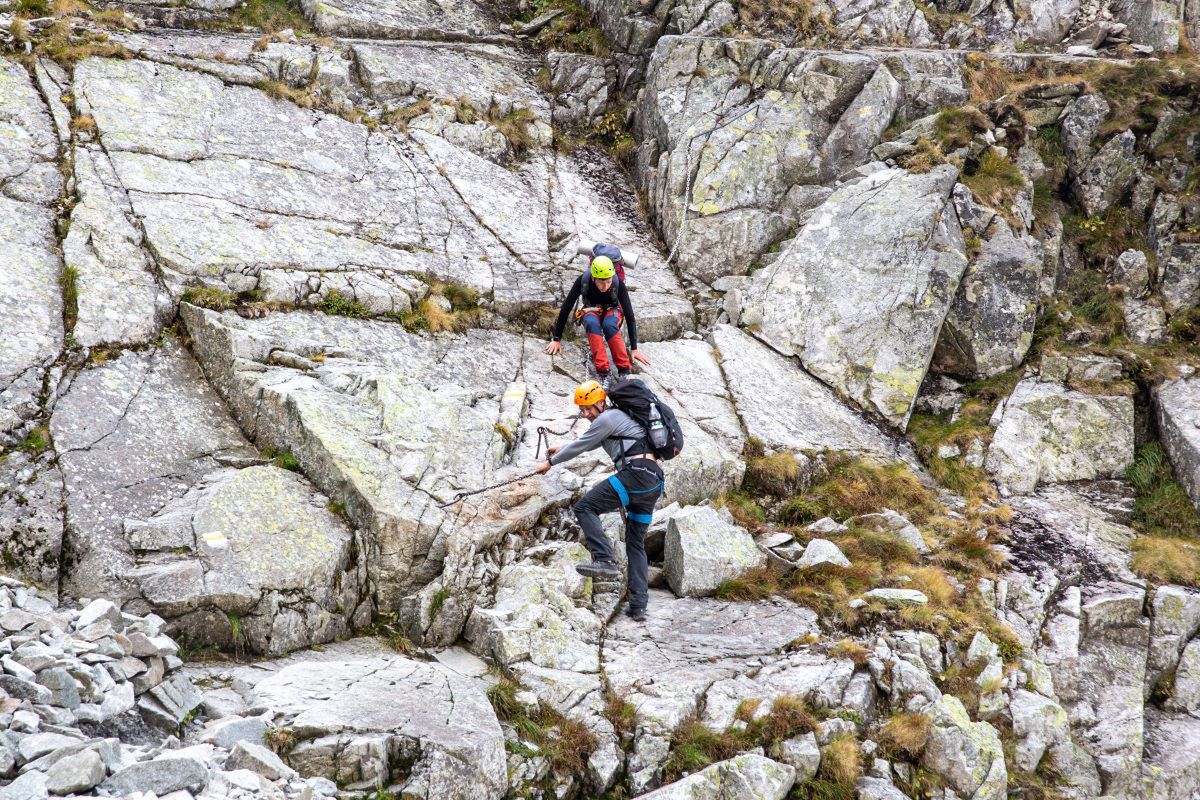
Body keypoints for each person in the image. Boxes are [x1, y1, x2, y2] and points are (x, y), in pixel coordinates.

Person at [534, 380, 663, 622]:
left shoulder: (607, 418)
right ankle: (638, 605)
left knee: (585, 507)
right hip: (653, 482)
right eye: (582, 410)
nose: (586, 414)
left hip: (635, 476)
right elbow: (589, 442)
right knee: (635, 542)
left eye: (589, 408)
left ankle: (605, 560)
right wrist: (562, 447)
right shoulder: (616, 418)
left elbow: (583, 444)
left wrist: (550, 463)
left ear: (601, 402)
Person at [544, 255, 651, 383]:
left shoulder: (617, 283)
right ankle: (604, 372)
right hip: (591, 308)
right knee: (591, 323)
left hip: (612, 309)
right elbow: (566, 307)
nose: (605, 287)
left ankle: (624, 370)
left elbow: (630, 315)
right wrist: (556, 339)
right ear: (594, 278)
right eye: (601, 282)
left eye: (608, 282)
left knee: (609, 325)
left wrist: (634, 349)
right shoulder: (583, 280)